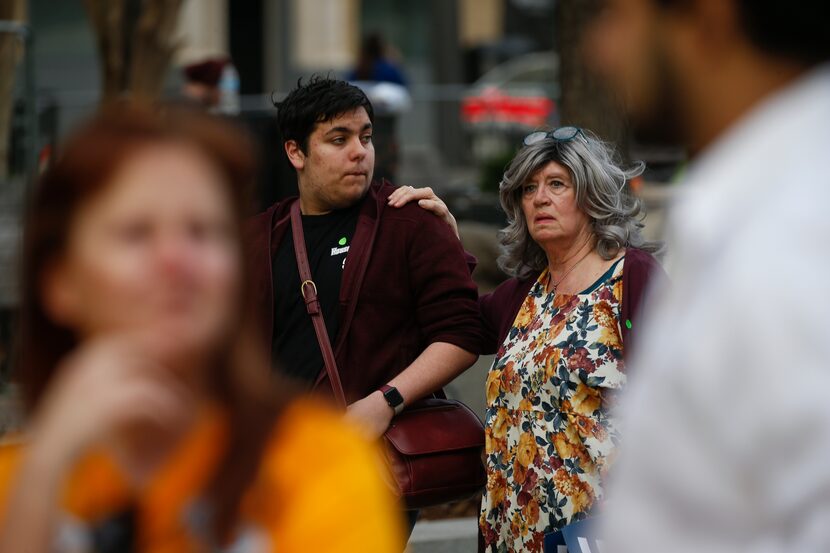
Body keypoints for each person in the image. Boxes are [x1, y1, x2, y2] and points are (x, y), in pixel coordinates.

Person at [0, 104, 403, 552]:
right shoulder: (17, 482)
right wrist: (42, 483)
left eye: (203, 231)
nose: (176, 260)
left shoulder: (318, 464)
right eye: (135, 232)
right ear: (60, 281)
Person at [584, 0, 830, 551]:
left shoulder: (794, 245)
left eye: (617, 16)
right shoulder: (759, 216)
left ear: (708, 18)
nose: (597, 51)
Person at [389, 127, 664, 551]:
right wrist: (443, 240)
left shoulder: (633, 277)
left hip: (602, 533)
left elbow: (678, 403)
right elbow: (456, 323)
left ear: (591, 195)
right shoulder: (522, 294)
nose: (539, 198)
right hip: (513, 533)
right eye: (529, 188)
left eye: (557, 184)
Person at [247, 77, 481, 527]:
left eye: (366, 137)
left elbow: (462, 333)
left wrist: (384, 401)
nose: (360, 151)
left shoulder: (409, 221)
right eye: (339, 139)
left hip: (371, 467)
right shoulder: (259, 237)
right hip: (277, 466)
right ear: (296, 152)